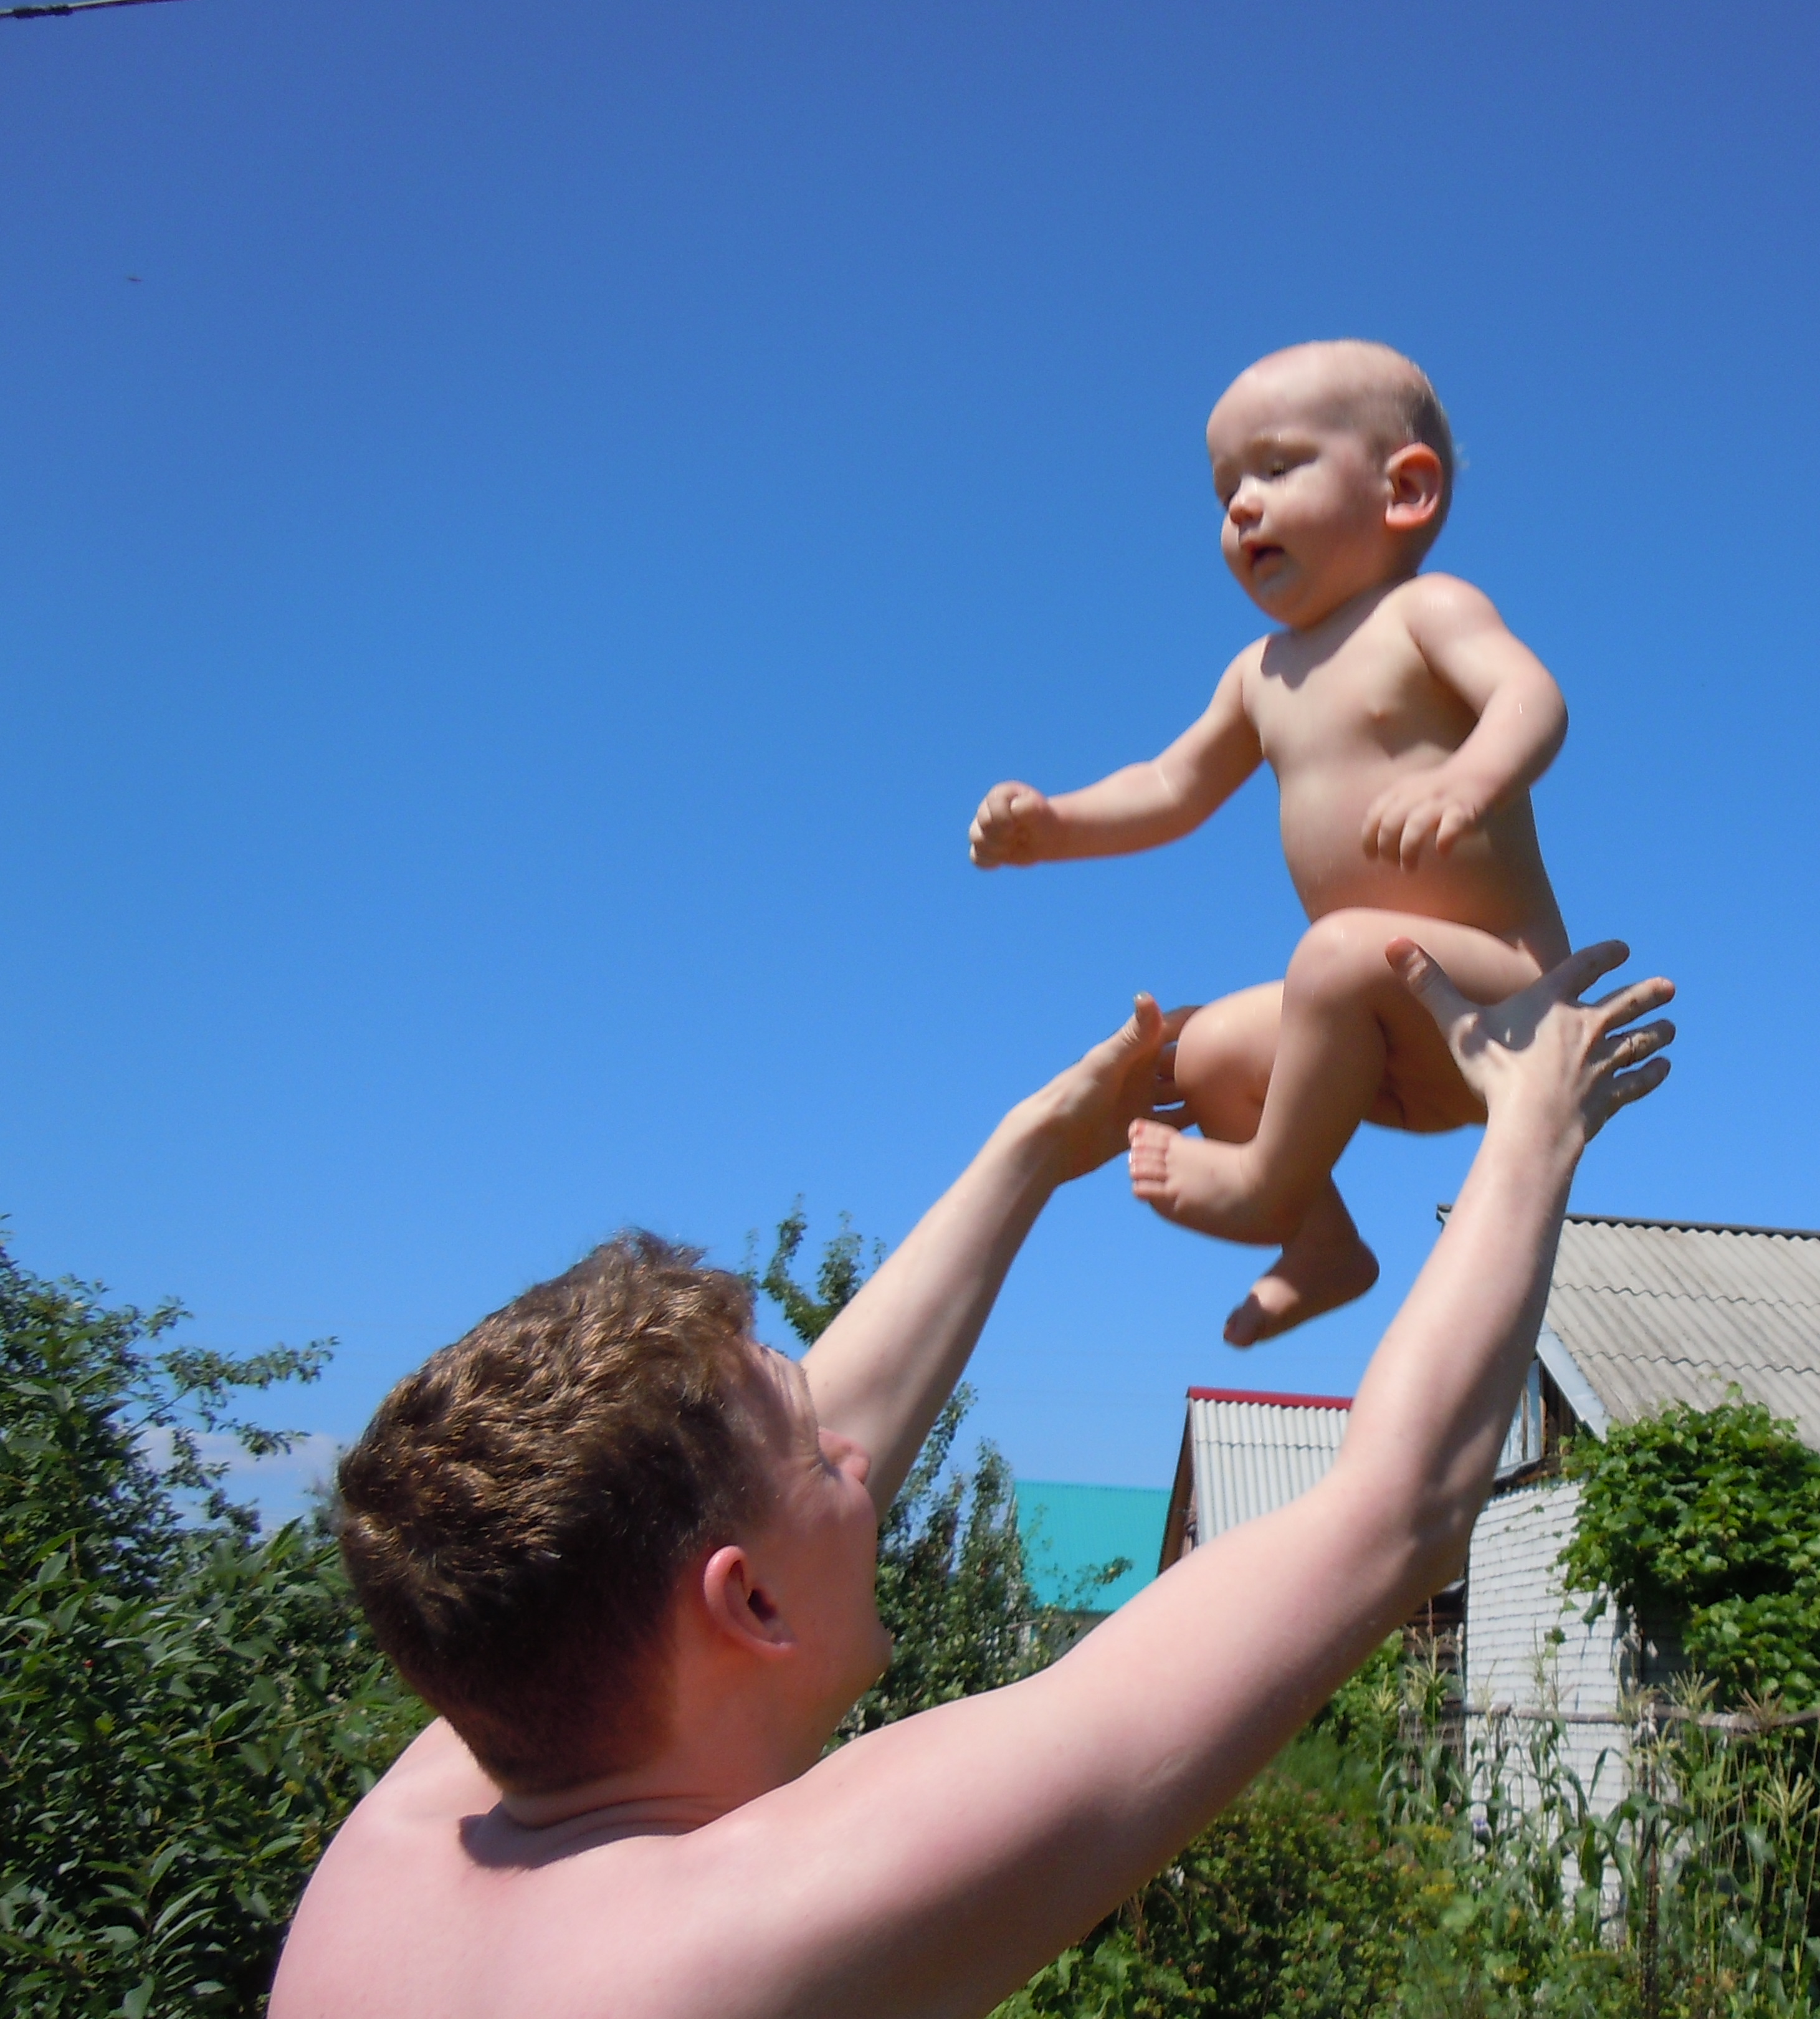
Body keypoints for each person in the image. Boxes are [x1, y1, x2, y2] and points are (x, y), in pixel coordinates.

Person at [270, 938, 1674, 2019]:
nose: (863, 1459)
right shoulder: (742, 1937)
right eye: (822, 1460)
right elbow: (1396, 1513)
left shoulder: (426, 1811)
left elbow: (702, 1492)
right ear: (749, 1604)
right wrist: (1531, 1125)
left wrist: (1036, 1148)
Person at [968, 340, 1577, 1345]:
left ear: (1405, 490)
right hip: (1378, 1033)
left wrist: (1470, 779)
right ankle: (1321, 1241)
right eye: (1224, 491)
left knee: (1333, 953)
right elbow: (1170, 786)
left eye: (1277, 467)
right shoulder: (1261, 674)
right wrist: (1055, 825)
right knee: (1204, 1046)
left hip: (1502, 996)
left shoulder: (1427, 612)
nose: (1241, 507)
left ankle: (1261, 1183)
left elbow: (1530, 696)